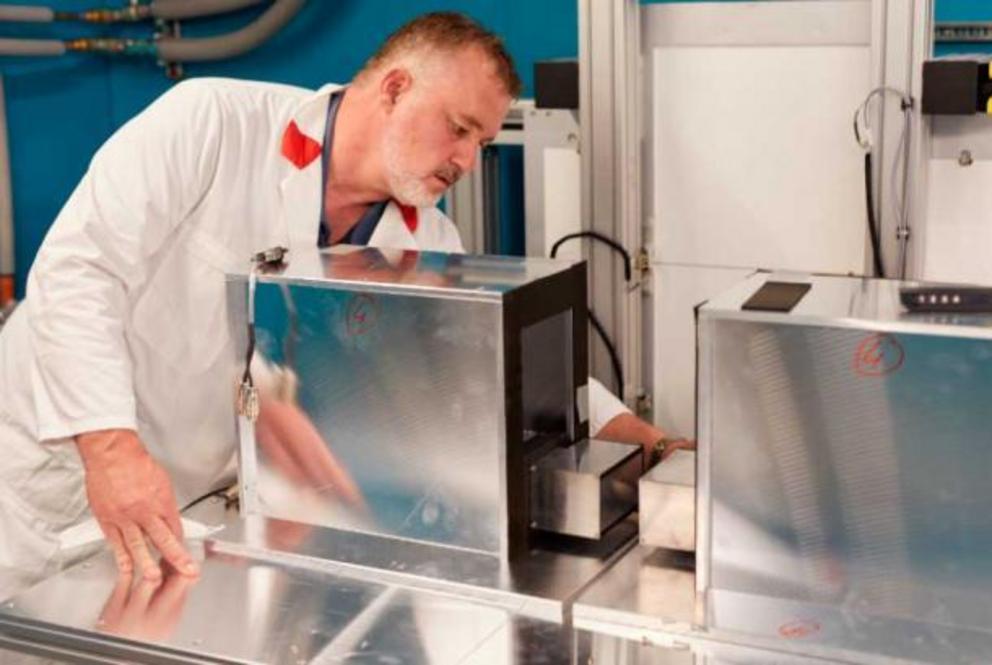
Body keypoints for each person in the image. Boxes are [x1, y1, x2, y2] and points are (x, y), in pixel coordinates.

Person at [0, 12, 690, 595]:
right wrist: (110, 447)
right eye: (459, 128)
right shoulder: (211, 123)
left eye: (481, 142)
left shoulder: (425, 239)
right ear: (393, 89)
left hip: (184, 497)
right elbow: (76, 269)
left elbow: (500, 368)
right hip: (48, 463)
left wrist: (645, 438)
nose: (468, 161)